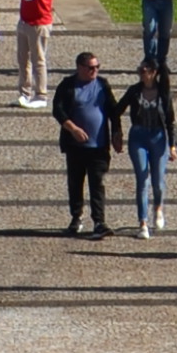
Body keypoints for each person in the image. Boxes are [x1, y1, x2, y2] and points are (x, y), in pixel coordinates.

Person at [51, 51, 114, 236]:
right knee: (75, 183)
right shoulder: (68, 85)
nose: (95, 70)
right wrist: (73, 129)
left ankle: (99, 222)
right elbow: (58, 110)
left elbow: (112, 109)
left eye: (97, 67)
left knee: (97, 184)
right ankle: (76, 217)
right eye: (91, 67)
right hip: (75, 147)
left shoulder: (102, 84)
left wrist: (117, 132)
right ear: (79, 67)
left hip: (99, 146)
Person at [117, 57, 177, 237]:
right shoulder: (134, 91)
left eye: (144, 70)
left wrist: (172, 145)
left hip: (158, 137)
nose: (141, 73)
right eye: (140, 70)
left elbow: (170, 121)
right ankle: (142, 223)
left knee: (158, 181)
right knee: (142, 179)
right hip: (138, 136)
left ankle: (158, 207)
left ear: (154, 73)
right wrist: (117, 131)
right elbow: (117, 110)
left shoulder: (163, 93)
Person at [13, 0, 57, 102]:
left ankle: (41, 95)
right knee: (23, 61)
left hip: (39, 23)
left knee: (38, 61)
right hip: (25, 22)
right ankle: (25, 93)